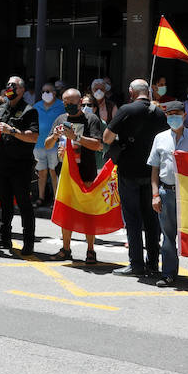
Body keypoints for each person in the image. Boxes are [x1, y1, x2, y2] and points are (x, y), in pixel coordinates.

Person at [103, 79, 166, 276]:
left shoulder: (126, 110)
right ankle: (153, 264)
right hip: (152, 172)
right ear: (148, 92)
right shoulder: (160, 112)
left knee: (132, 219)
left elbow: (106, 137)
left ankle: (136, 264)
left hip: (129, 171)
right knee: (152, 220)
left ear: (131, 92)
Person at [148, 101, 188, 292]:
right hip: (166, 192)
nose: (173, 117)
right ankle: (168, 274)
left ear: (184, 116)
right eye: (169, 114)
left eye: (177, 114)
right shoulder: (159, 138)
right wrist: (155, 194)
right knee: (168, 236)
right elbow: (155, 169)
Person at [45, 87, 106, 263]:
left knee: (88, 212)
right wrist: (56, 137)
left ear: (80, 102)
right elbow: (48, 144)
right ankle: (65, 249)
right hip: (66, 174)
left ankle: (90, 250)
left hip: (86, 173)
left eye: (71, 103)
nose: (68, 105)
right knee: (66, 212)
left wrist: (76, 137)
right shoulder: (60, 119)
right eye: (65, 102)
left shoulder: (91, 119)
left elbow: (97, 145)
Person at [0, 76, 41, 257]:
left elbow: (33, 136)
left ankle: (28, 242)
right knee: (4, 204)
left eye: (14, 85)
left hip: (21, 165)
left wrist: (12, 131)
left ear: (22, 90)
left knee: (24, 205)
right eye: (8, 84)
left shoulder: (29, 111)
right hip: (2, 163)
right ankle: (4, 237)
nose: (10, 87)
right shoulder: (2, 108)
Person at [33, 82, 65, 207]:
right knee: (41, 173)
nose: (45, 94)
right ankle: (40, 198)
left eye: (48, 91)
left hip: (54, 146)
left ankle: (55, 199)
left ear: (54, 93)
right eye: (43, 91)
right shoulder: (36, 106)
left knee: (54, 172)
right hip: (38, 145)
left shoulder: (61, 106)